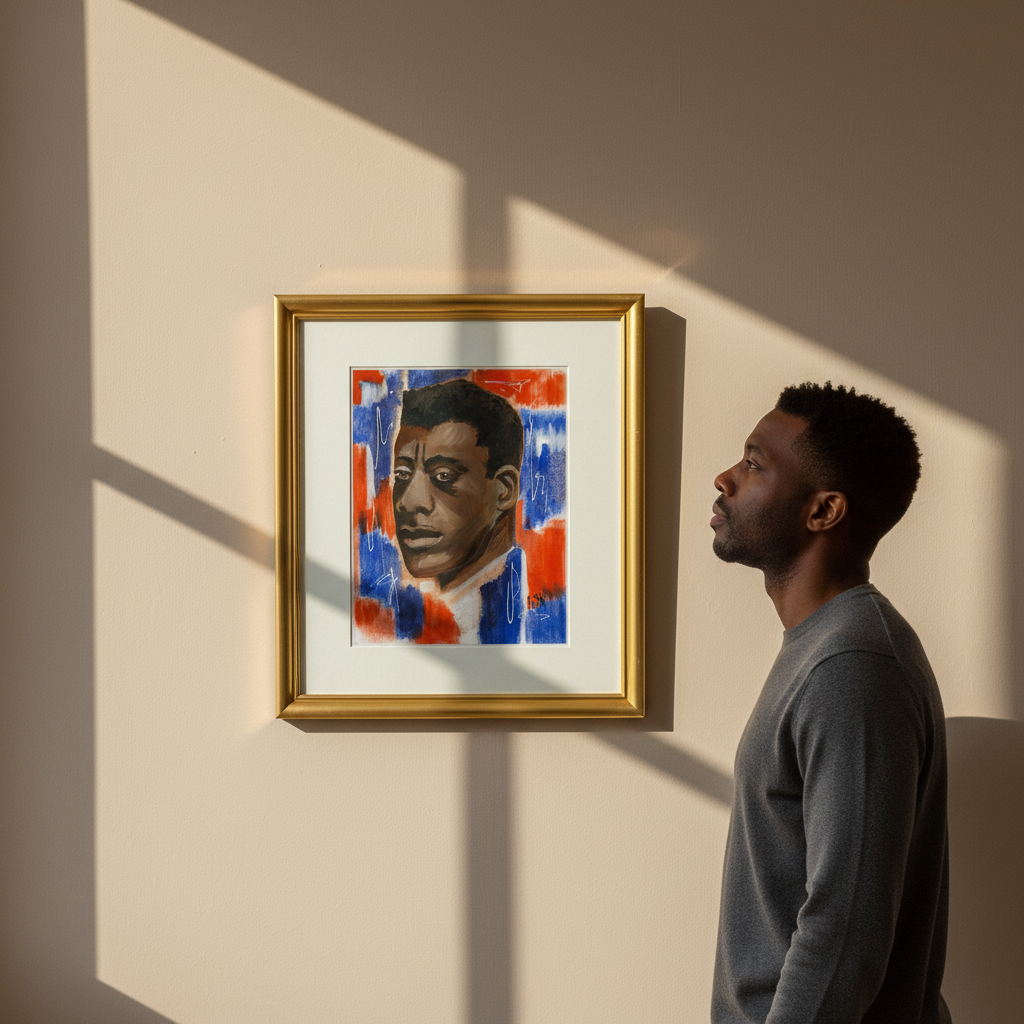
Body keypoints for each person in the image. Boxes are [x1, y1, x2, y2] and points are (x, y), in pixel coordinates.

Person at [710, 382, 951, 1024]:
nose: (725, 478)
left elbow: (845, 934)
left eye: (755, 462)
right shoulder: (824, 648)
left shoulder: (852, 666)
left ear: (824, 511)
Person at [390, 377, 527, 643]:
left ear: (504, 490)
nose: (408, 501)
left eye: (443, 475)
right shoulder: (403, 616)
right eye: (402, 474)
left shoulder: (531, 623)